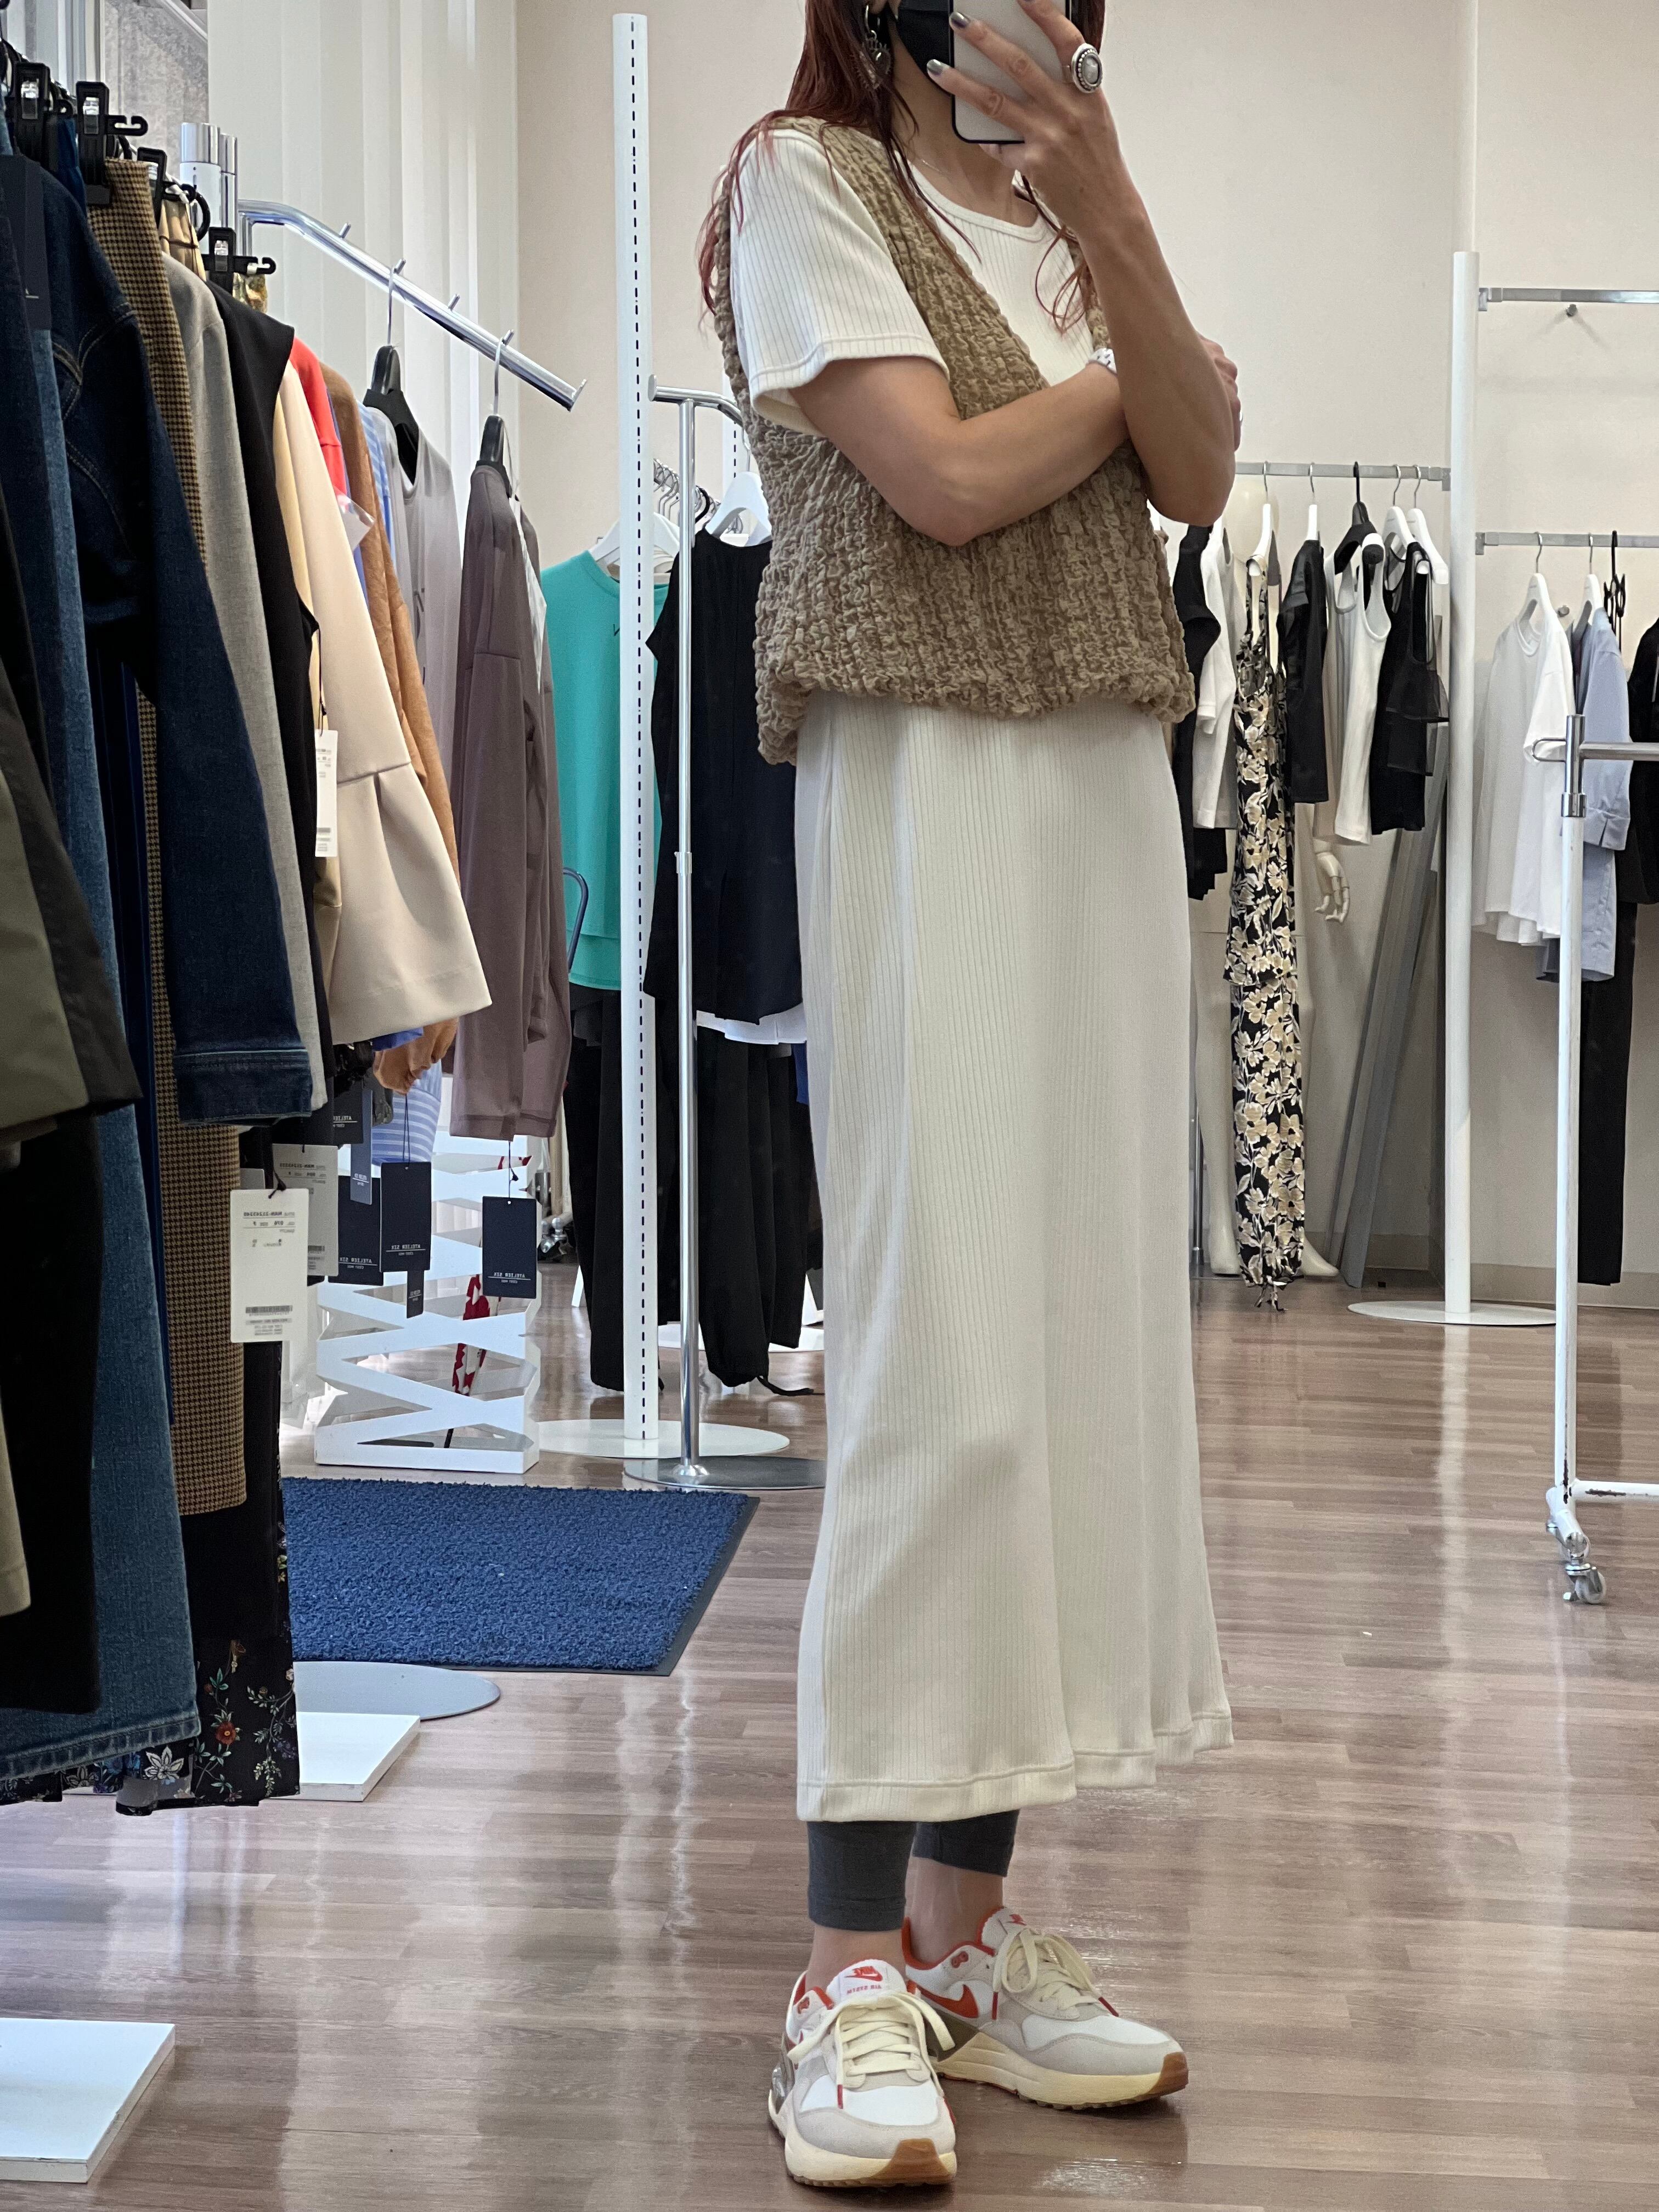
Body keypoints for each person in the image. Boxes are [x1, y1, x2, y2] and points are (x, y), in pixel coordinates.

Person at [699, 0, 1240, 2186]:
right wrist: (1129, 387)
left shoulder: (1077, 222)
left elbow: (1205, 474)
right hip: (926, 797)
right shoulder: (802, 182)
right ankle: (840, 1973)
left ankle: (959, 1948)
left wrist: (1112, 211)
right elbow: (936, 480)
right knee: (940, 1361)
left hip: (1101, 795)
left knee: (1064, 1353)